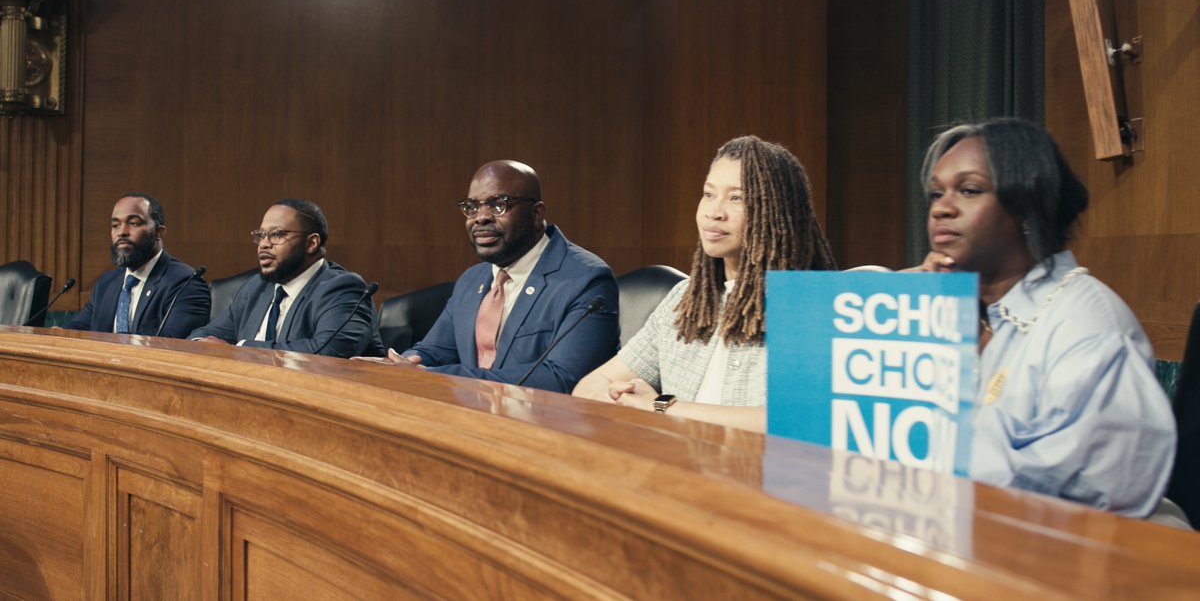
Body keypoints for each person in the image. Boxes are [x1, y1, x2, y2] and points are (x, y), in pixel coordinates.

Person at [909, 118, 1174, 517]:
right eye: (935, 193)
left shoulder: (1088, 324)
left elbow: (1092, 489)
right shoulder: (946, 311)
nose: (942, 209)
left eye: (969, 190)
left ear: (1026, 207)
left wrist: (919, 447)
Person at [572, 136, 836, 430]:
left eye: (737, 198)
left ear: (777, 211)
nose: (714, 212)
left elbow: (793, 421)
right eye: (709, 194)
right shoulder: (684, 300)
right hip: (678, 468)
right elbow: (590, 386)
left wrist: (661, 407)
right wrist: (621, 398)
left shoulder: (812, 308)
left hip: (764, 473)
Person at [366, 160, 619, 393]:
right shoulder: (472, 280)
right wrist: (399, 367)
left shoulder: (585, 279)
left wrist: (432, 376)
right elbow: (434, 351)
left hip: (547, 430)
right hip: (471, 421)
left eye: (499, 205)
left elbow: (562, 378)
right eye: (472, 207)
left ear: (536, 215)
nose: (481, 217)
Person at [189, 199, 384, 357]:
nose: (263, 245)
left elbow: (329, 352)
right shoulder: (255, 288)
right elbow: (203, 336)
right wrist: (203, 345)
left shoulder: (343, 289)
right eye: (261, 235)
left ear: (311, 243)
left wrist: (239, 349)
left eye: (276, 235)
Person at [63, 193, 210, 338]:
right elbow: (78, 329)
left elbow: (171, 344)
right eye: (115, 225)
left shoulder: (186, 284)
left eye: (133, 223)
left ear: (159, 232)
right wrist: (57, 334)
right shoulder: (106, 283)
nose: (122, 232)